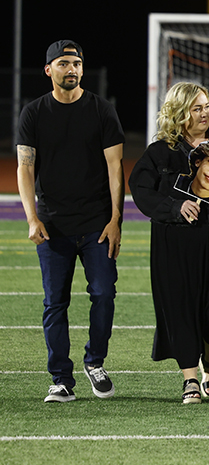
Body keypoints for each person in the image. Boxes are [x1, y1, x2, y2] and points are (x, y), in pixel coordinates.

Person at [16, 40, 124, 403]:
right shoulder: (33, 113)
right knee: (54, 303)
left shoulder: (102, 111)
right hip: (53, 225)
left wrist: (116, 220)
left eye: (76, 63)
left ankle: (95, 361)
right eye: (63, 63)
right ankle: (61, 378)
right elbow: (25, 167)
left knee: (104, 294)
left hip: (95, 224)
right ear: (49, 70)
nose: (71, 69)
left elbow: (115, 168)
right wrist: (31, 218)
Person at [130, 112, 209, 405]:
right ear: (180, 110)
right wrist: (175, 208)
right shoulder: (160, 151)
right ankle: (189, 377)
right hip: (174, 243)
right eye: (197, 107)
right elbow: (140, 190)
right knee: (180, 309)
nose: (206, 113)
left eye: (208, 106)